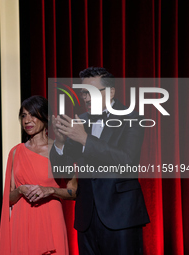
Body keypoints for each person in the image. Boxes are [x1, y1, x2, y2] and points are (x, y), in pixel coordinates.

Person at [50, 67, 150, 255]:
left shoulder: (132, 117)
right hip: (86, 217)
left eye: (91, 92)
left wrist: (85, 139)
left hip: (121, 216)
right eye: (83, 93)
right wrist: (60, 142)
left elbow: (127, 160)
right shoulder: (80, 121)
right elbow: (61, 172)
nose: (86, 98)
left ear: (111, 92)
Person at [0, 95, 76, 255]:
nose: (27, 120)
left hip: (50, 217)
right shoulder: (15, 152)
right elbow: (8, 199)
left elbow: (73, 191)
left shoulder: (60, 149)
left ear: (46, 117)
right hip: (22, 221)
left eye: (32, 114)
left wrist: (50, 190)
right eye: (23, 115)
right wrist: (20, 190)